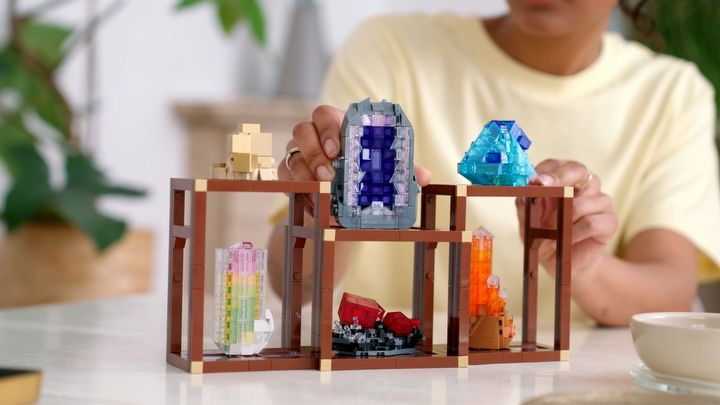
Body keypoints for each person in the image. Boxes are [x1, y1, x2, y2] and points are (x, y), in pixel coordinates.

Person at [268, 0, 720, 327]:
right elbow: (290, 281)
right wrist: (322, 211)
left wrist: (584, 268)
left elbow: (672, 291)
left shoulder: (673, 95)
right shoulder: (388, 48)